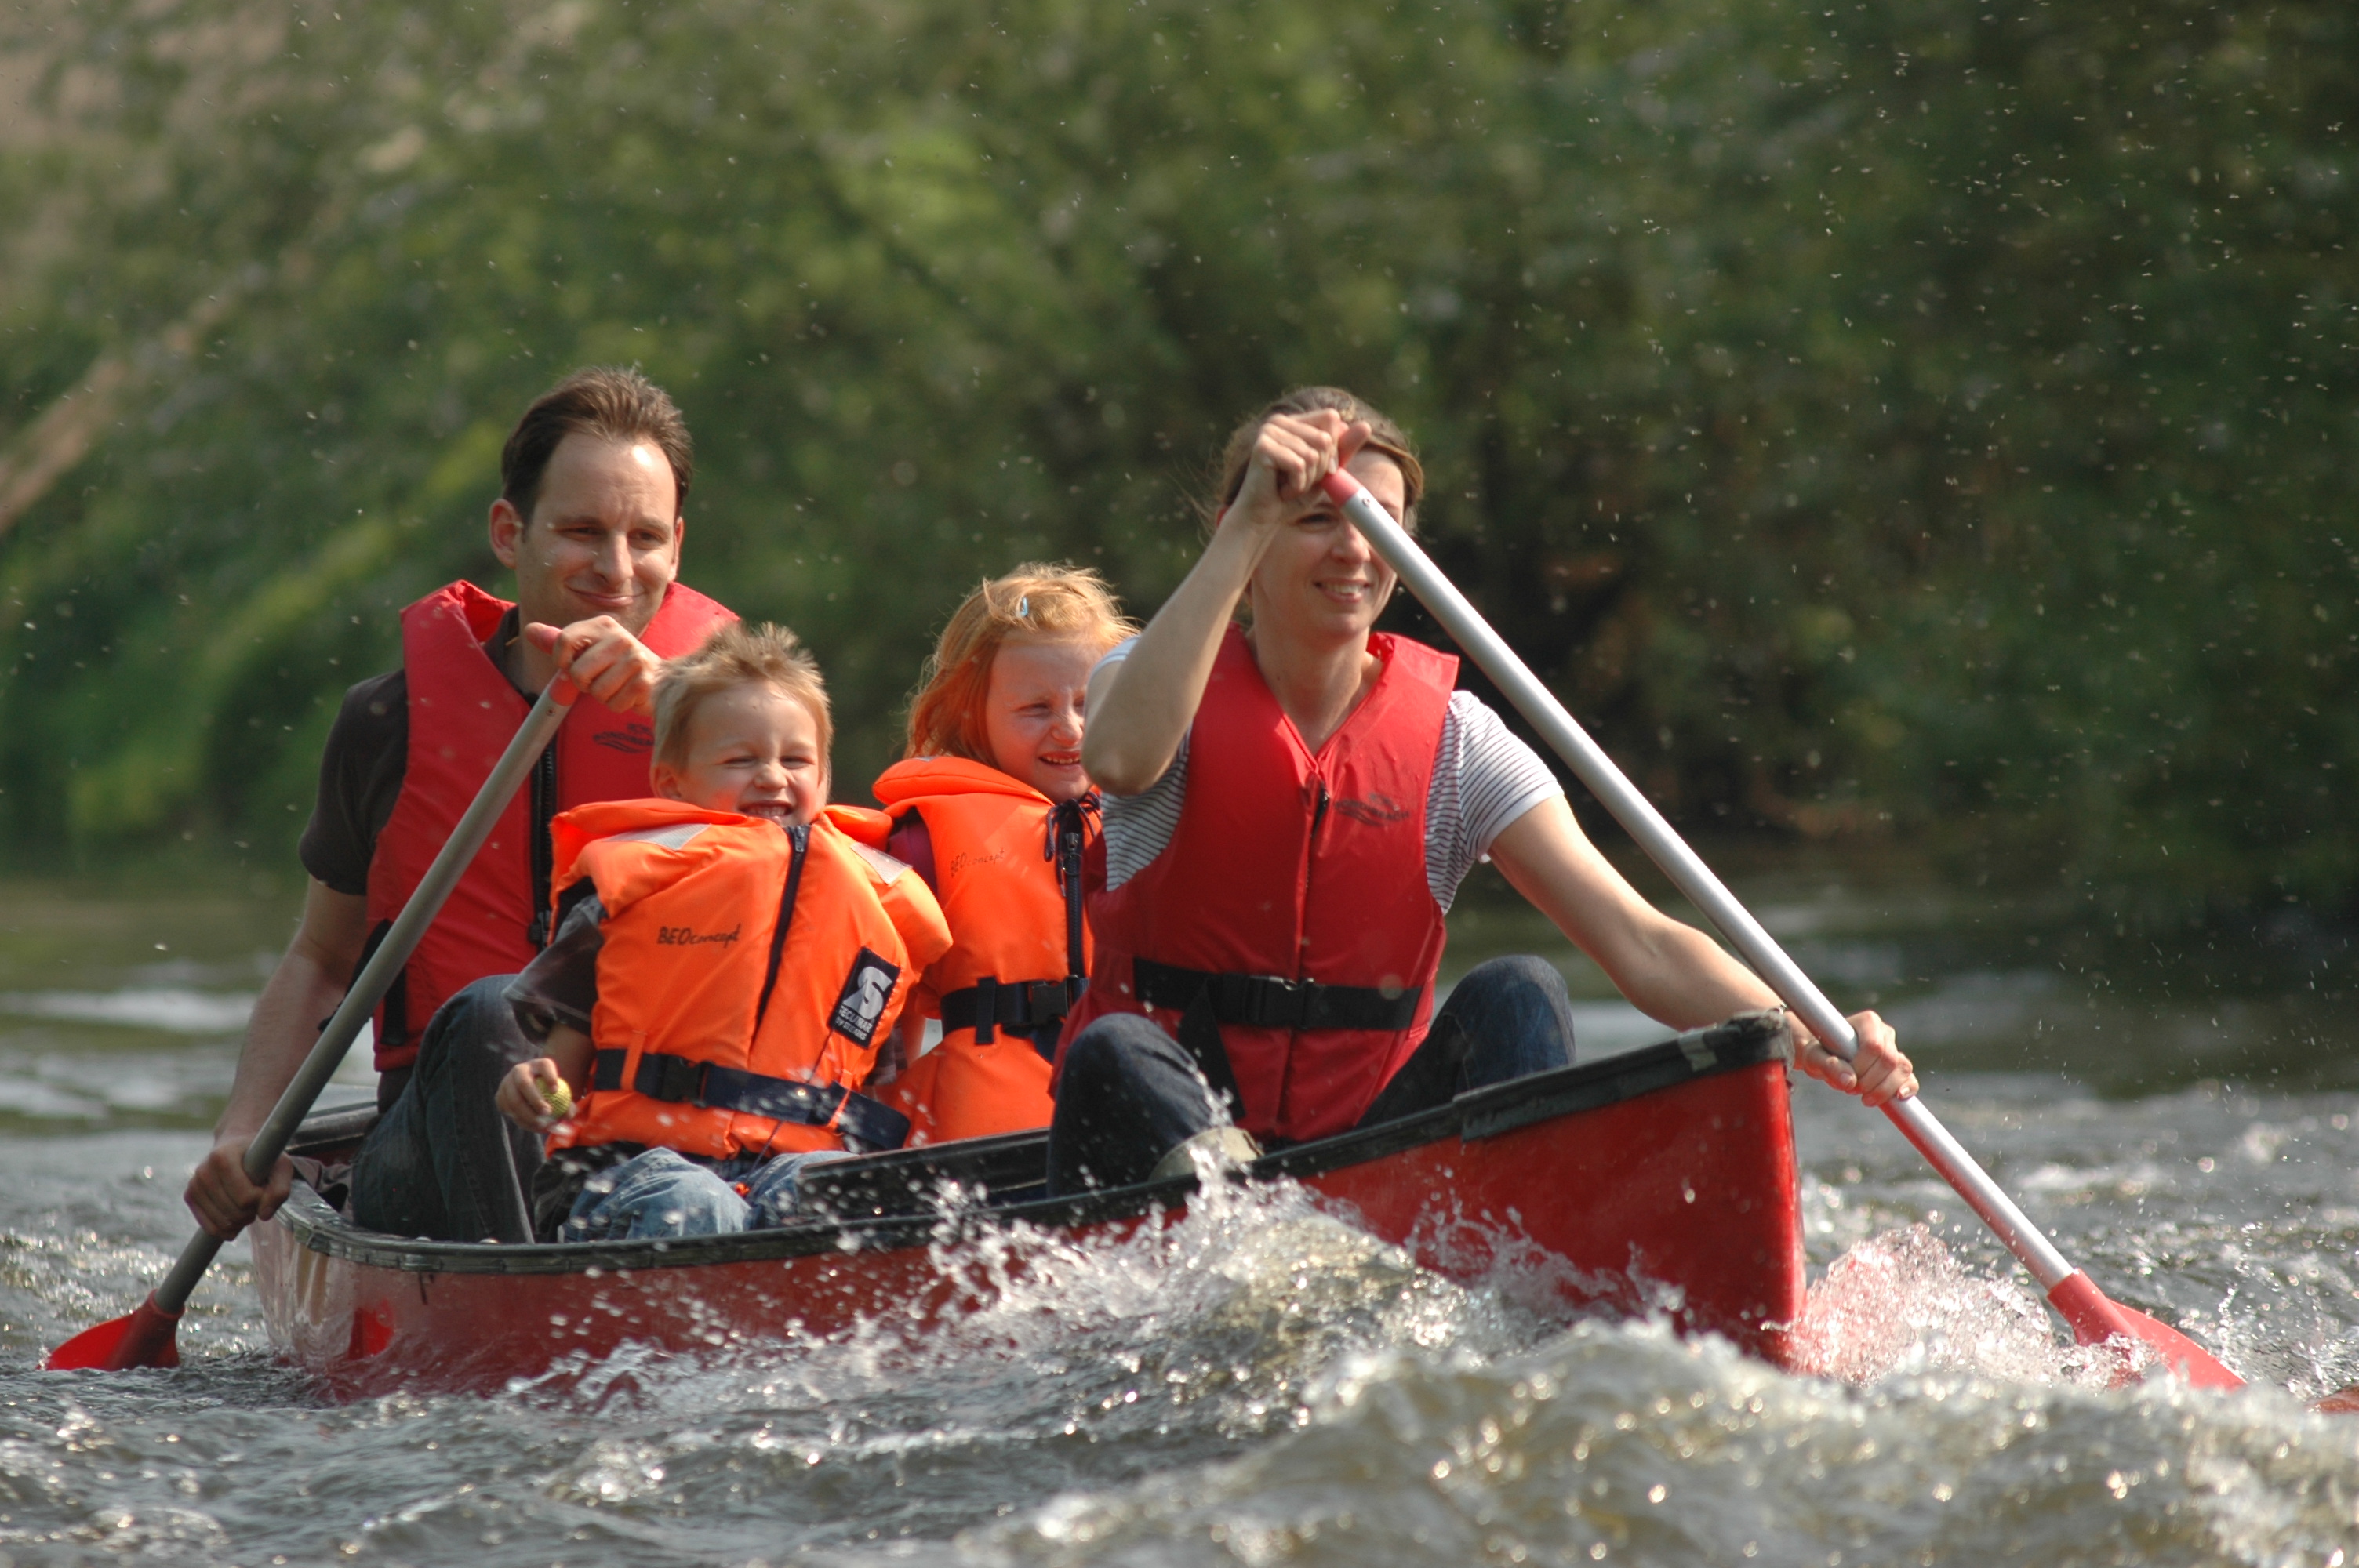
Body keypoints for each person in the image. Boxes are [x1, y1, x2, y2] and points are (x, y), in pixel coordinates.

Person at [1050, 387, 1917, 1194]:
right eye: (1313, 519)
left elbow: (1638, 939)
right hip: (1168, 1160)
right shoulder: (1152, 681)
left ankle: (1518, 1239)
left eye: (1377, 524)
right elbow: (1119, 761)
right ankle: (1249, 1246)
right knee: (1112, 1049)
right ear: (1244, 530)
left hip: (1365, 1153)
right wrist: (1246, 524)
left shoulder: (1459, 742)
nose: (1352, 548)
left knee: (1520, 987)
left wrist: (1815, 1034)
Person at [184, 367, 735, 1246]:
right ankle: (531, 1300)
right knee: (490, 1010)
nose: (616, 568)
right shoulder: (387, 720)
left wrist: (678, 712)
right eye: (582, 531)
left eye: (643, 537)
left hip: (662, 1140)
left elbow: (808, 890)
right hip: (436, 1146)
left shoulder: (735, 722)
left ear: (677, 543)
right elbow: (323, 958)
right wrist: (242, 1130)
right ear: (509, 532)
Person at [494, 622, 951, 1240]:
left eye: (795, 759)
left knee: (836, 1190)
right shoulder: (632, 887)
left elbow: (881, 1085)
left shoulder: (877, 905)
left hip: (786, 1163)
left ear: (823, 775)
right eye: (741, 760)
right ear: (671, 783)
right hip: (627, 1168)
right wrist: (536, 1090)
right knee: (696, 1203)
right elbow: (561, 1072)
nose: (771, 776)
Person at [862, 565, 1137, 1145]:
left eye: (1088, 703)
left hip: (1127, 1104)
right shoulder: (918, 842)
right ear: (971, 715)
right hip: (982, 1130)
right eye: (1035, 709)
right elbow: (883, 1021)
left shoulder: (1147, 819)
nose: (1069, 729)